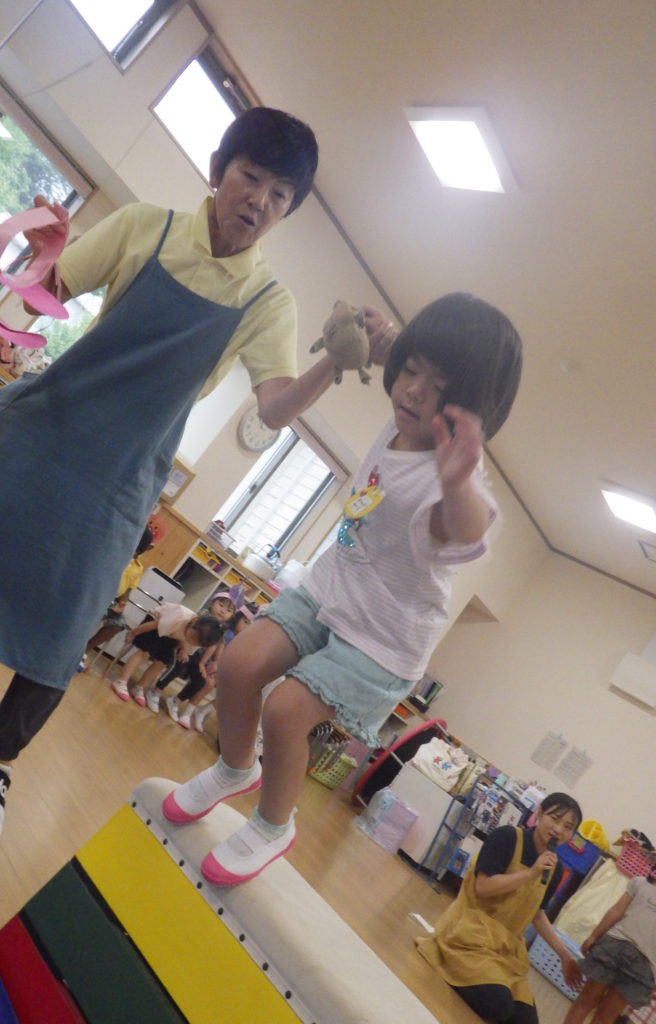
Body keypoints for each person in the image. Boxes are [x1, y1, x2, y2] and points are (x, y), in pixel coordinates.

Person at [0, 107, 394, 846]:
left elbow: (274, 407)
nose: (259, 201)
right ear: (219, 171)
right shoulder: (144, 227)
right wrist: (40, 249)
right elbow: (49, 288)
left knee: (65, 629)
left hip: (118, 483)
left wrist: (332, 366)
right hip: (39, 430)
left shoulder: (267, 300)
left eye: (280, 195)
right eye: (251, 177)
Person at [163, 291, 524, 885]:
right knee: (239, 662)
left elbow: (466, 527)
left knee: (284, 713)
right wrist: (378, 337)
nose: (413, 392)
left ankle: (273, 826)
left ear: (469, 411)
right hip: (332, 586)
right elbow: (395, 352)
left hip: (383, 637)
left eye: (438, 388)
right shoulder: (402, 410)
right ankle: (234, 768)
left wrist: (459, 479)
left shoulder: (454, 473)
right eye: (411, 371)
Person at [417, 792, 584, 1023]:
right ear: (539, 813)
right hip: (468, 934)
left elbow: (536, 914)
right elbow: (483, 887)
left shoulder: (555, 870)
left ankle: (483, 979)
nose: (558, 829)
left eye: (568, 827)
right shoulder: (506, 837)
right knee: (498, 1007)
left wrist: (565, 956)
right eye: (554, 819)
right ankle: (449, 963)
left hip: (504, 950)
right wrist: (531, 873)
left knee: (526, 1021)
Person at [563, 870, 656, 1024]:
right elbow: (616, 912)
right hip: (644, 966)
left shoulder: (639, 883)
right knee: (605, 1017)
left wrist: (594, 936)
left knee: (585, 1002)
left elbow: (616, 911)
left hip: (614, 947)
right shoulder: (639, 883)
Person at [142, 592, 235, 714]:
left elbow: (212, 647)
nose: (223, 611)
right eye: (221, 605)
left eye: (228, 610)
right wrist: (184, 650)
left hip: (196, 654)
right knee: (179, 665)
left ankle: (176, 701)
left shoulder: (221, 628)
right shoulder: (202, 616)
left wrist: (202, 663)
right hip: (182, 644)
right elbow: (186, 633)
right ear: (211, 603)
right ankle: (155, 691)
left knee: (201, 680)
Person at [110, 605, 223, 705]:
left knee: (162, 662)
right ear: (194, 621)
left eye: (196, 643)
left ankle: (140, 687)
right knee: (145, 652)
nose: (192, 641)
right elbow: (155, 625)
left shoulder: (198, 638)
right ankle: (121, 681)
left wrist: (183, 650)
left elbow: (184, 638)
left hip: (172, 634)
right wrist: (133, 633)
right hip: (155, 622)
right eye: (192, 638)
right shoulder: (180, 616)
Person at [79, 526, 155, 670]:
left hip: (112, 600)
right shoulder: (116, 553)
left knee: (118, 624)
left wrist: (122, 603)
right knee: (89, 614)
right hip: (96, 591)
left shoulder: (138, 567)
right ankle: (74, 647)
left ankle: (84, 650)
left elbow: (128, 588)